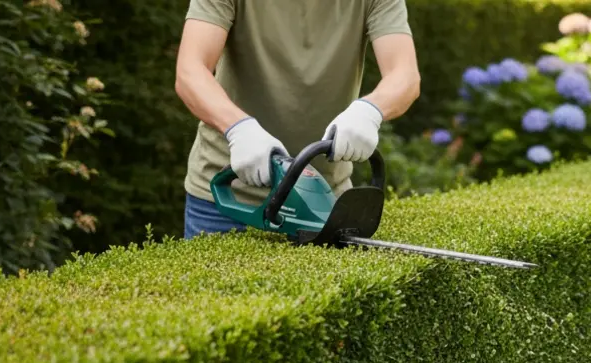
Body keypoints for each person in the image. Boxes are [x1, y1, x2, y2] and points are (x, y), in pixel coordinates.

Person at [175, 0, 421, 238]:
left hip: (321, 203)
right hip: (228, 199)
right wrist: (238, 128)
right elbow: (191, 71)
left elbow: (405, 76)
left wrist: (370, 111)